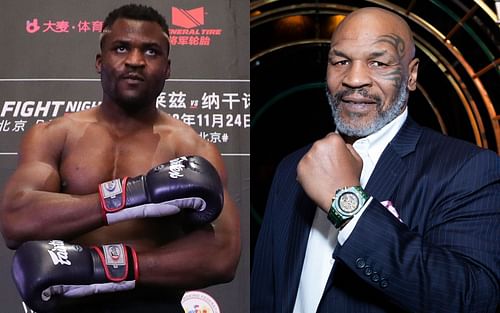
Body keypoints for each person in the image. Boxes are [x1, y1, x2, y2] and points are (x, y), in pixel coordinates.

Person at [251, 7, 499, 313]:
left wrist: (348, 205)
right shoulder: (293, 166)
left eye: (378, 63)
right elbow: (265, 295)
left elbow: (471, 300)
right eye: (341, 62)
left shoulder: (468, 169)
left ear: (411, 75)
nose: (354, 79)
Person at [0, 4, 240, 313]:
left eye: (151, 52)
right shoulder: (54, 135)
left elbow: (223, 254)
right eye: (122, 48)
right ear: (100, 62)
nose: (136, 61)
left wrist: (105, 267)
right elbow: (16, 220)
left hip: (153, 305)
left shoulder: (193, 149)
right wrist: (133, 195)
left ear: (167, 68)